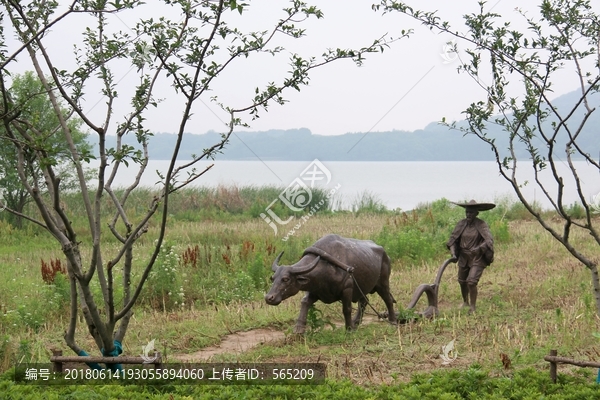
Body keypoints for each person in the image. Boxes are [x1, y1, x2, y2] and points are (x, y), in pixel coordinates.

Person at [446, 200, 495, 314]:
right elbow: (452, 240)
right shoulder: (461, 224)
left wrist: (478, 249)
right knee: (462, 281)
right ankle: (465, 302)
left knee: (471, 282)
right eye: (467, 212)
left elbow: (488, 240)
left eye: (471, 213)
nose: (469, 215)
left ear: (476, 213)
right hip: (464, 257)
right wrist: (453, 254)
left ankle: (473, 307)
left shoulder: (481, 225)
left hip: (477, 257)